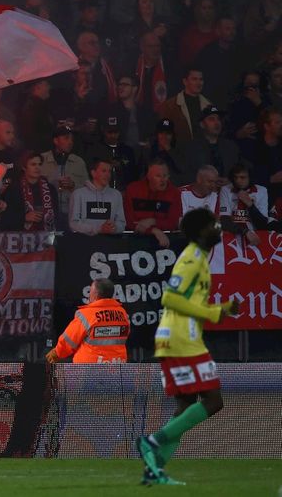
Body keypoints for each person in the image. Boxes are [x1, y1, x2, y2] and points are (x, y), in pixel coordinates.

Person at [136, 208, 241, 486]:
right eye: (213, 225)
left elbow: (190, 301)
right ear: (200, 232)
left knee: (185, 407)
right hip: (182, 339)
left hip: (179, 337)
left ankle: (153, 470)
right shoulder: (193, 258)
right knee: (213, 400)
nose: (218, 228)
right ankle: (152, 441)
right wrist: (211, 314)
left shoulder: (199, 259)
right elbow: (170, 298)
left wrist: (222, 309)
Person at [46, 278, 129, 364]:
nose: (89, 295)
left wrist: (57, 352)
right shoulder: (122, 313)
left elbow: (69, 340)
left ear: (95, 294)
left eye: (90, 292)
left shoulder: (87, 315)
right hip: (117, 367)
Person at [68, 159, 126, 235]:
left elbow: (121, 223)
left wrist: (114, 227)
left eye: (109, 171)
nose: (108, 175)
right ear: (93, 173)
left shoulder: (116, 195)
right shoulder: (78, 194)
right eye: (104, 171)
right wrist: (99, 229)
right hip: (84, 241)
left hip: (110, 241)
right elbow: (73, 224)